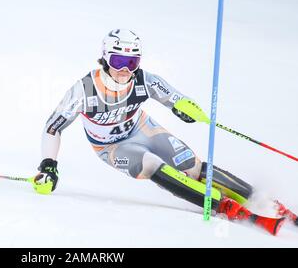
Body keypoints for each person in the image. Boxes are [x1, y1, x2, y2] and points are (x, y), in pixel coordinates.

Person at [33, 29, 296, 234]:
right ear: (105, 58)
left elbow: (176, 98)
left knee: (191, 165)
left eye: (132, 61)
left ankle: (264, 201)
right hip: (112, 147)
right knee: (150, 164)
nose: (125, 70)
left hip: (143, 129)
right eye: (118, 61)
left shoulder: (144, 79)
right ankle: (224, 206)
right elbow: (53, 127)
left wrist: (186, 108)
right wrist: (48, 165)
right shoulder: (84, 90)